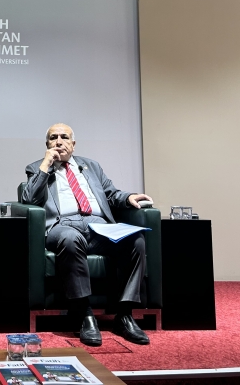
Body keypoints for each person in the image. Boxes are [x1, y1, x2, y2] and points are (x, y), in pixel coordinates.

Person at [21, 123, 153, 346]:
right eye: (53, 138)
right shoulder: (36, 167)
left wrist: (127, 197)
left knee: (135, 240)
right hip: (63, 226)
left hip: (98, 226)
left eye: (64, 137)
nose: (59, 141)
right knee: (70, 239)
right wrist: (46, 164)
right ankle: (84, 314)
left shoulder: (91, 166)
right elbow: (29, 199)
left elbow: (111, 193)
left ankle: (124, 314)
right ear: (47, 144)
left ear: (73, 144)